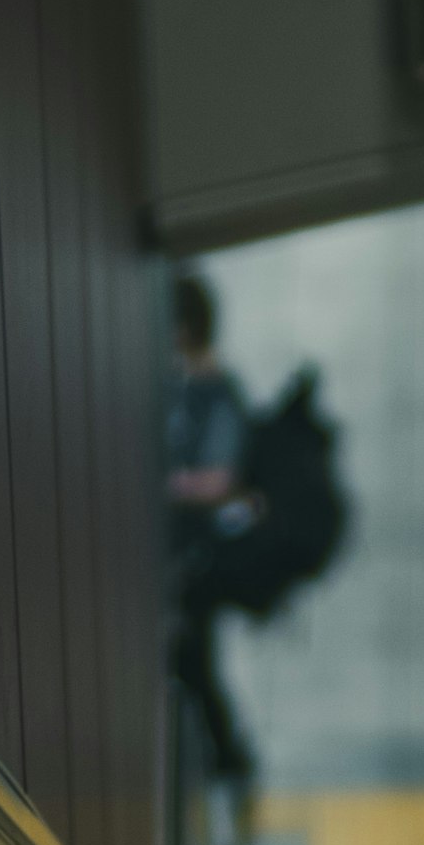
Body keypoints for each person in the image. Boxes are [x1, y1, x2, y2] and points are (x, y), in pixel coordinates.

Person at [162, 273, 257, 783]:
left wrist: (164, 487)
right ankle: (224, 756)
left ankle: (227, 757)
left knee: (193, 657)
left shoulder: (215, 391)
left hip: (199, 552)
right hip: (181, 548)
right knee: (191, 658)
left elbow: (221, 479)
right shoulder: (179, 386)